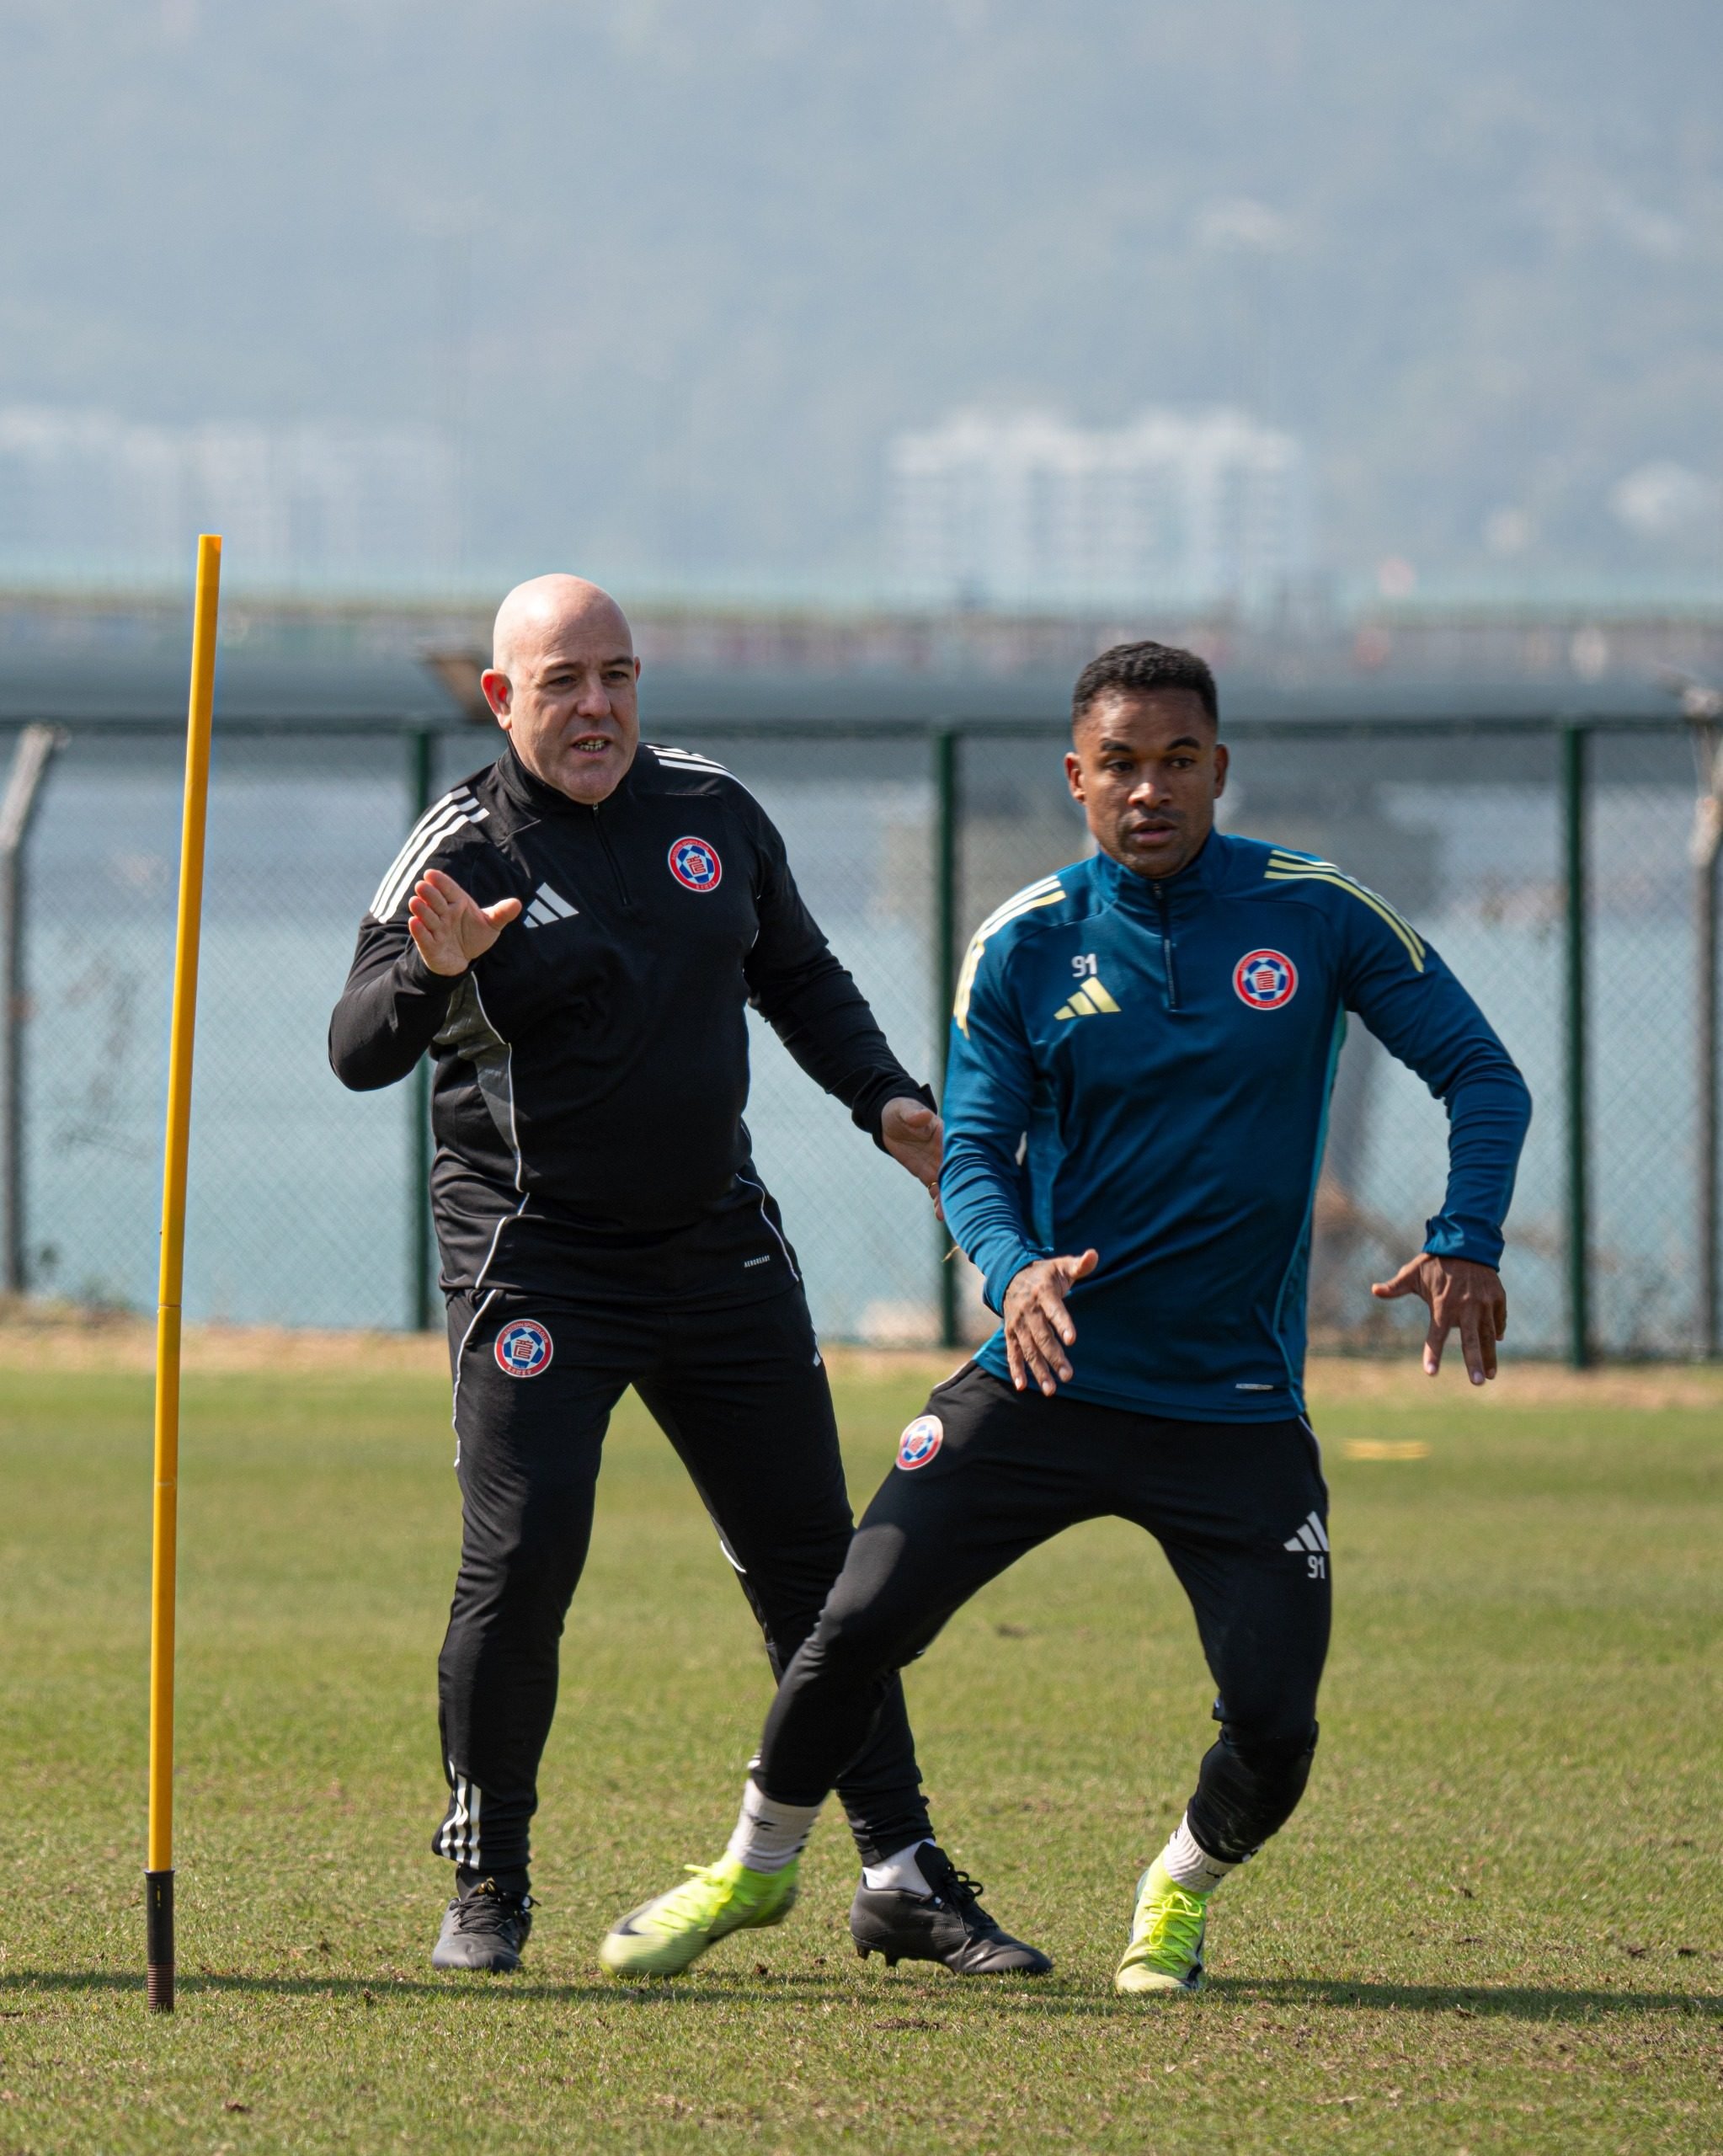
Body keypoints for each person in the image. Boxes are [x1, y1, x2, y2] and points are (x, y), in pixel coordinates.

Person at [601, 638, 1531, 1993]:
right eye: (1119, 767)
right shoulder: (1027, 938)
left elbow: (1481, 1078)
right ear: (1075, 781)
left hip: (1232, 1409)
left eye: (1175, 762)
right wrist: (1012, 1264)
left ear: (1218, 768)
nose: (1148, 791)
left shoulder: (1317, 912)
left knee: (1274, 1729)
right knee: (852, 1621)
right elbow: (972, 1150)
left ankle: (1179, 1886)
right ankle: (753, 1866)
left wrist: (1462, 1237)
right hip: (1046, 1372)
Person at [328, 575, 1047, 1977]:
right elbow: (356, 1046)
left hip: (718, 1250)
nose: (595, 707)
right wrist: (433, 975)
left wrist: (888, 1103)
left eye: (618, 676)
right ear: (501, 699)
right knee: (523, 1560)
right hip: (536, 1264)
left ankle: (899, 1869)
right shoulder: (461, 842)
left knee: (822, 1572)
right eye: (561, 683)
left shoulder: (711, 810)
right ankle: (488, 1878)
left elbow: (798, 973)